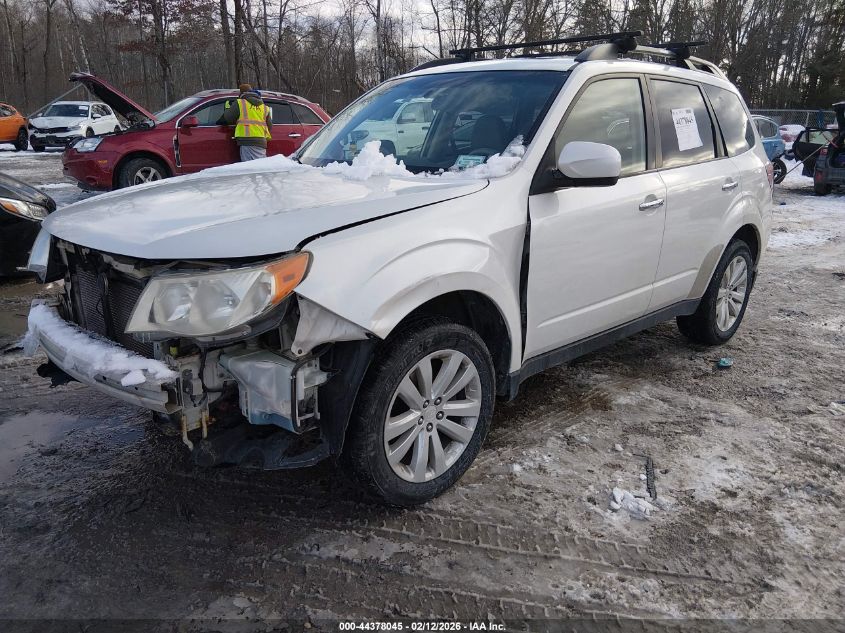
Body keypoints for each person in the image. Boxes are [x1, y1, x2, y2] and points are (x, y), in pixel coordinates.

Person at [219, 83, 272, 161]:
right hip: (261, 142)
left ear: (241, 93)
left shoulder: (240, 103)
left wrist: (227, 108)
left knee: (250, 169)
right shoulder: (264, 107)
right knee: (259, 167)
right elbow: (270, 126)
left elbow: (227, 118)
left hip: (247, 142)